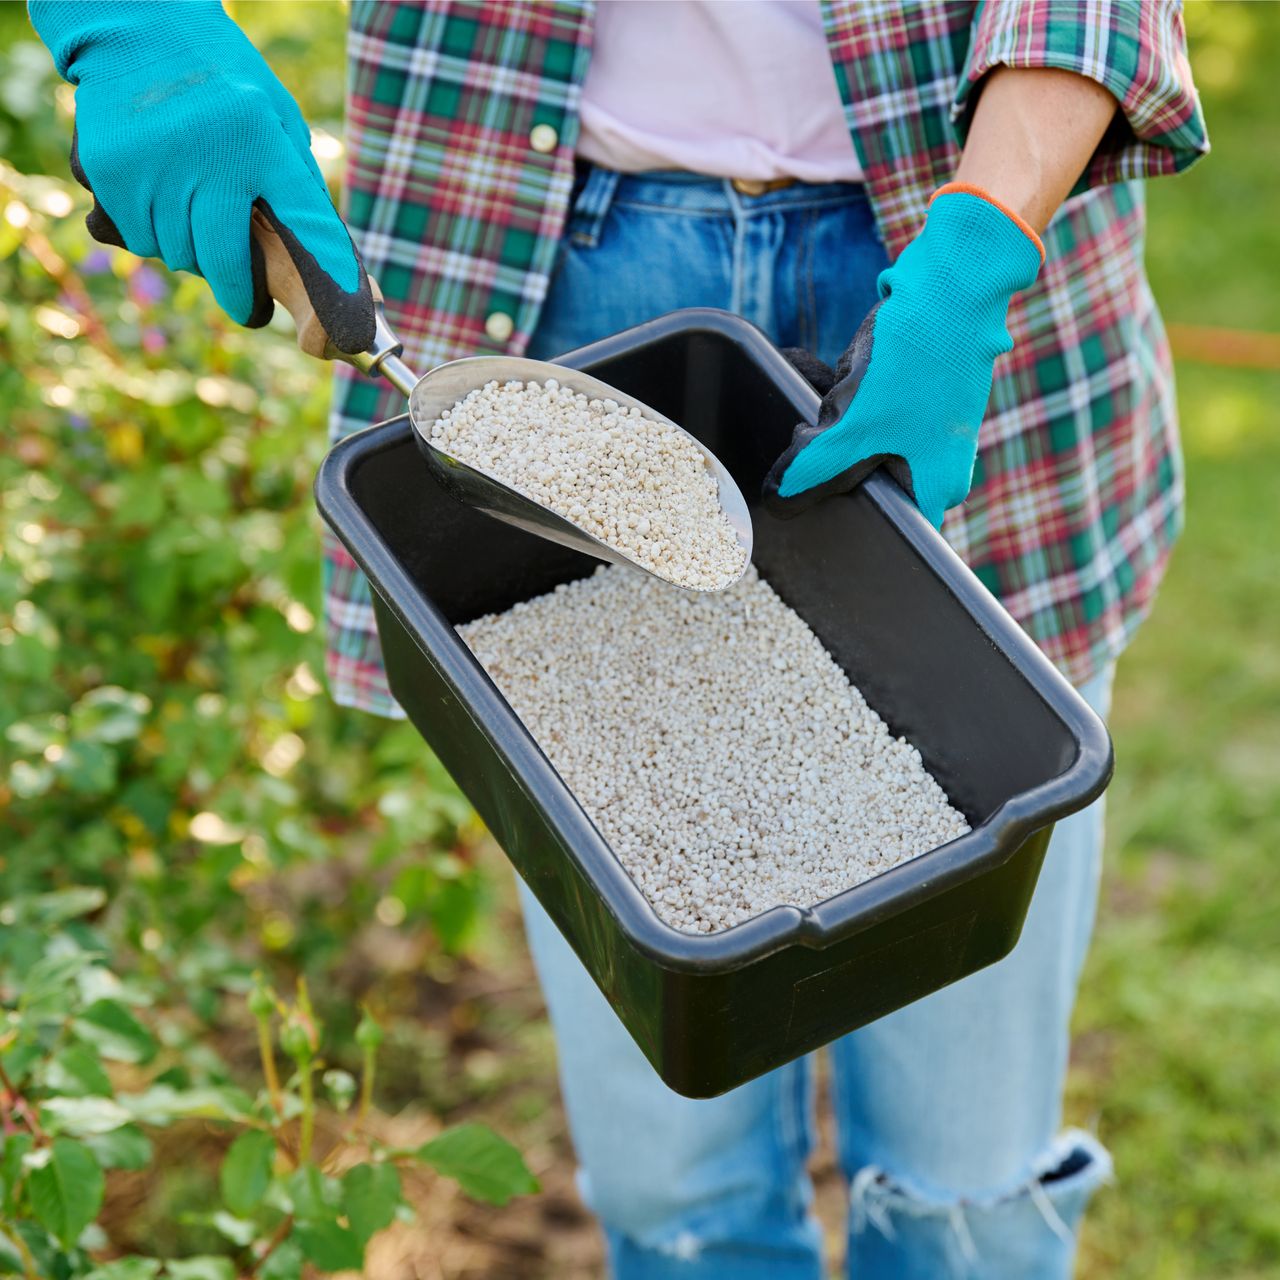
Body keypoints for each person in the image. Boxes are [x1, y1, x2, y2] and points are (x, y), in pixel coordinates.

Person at [31, 1, 1208, 1275]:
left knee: (962, 1179)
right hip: (545, 247)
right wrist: (134, 22)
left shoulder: (976, 253)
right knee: (675, 1185)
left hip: (975, 223)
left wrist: (976, 253)